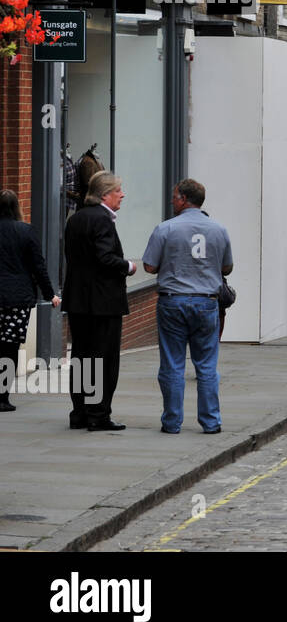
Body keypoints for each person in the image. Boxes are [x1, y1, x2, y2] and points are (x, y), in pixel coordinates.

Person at [142, 179, 234, 434]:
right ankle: (211, 422)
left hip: (173, 300)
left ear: (183, 199)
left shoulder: (165, 228)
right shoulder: (219, 229)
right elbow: (227, 267)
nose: (172, 201)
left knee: (172, 363)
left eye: (174, 197)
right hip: (206, 302)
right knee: (206, 365)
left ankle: (172, 422)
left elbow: (149, 266)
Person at [63, 171, 137, 431]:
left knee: (82, 358)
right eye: (119, 190)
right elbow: (105, 259)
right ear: (105, 194)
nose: (122, 194)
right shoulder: (103, 221)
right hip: (103, 303)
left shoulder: (75, 219)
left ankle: (80, 412)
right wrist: (128, 266)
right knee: (104, 360)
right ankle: (98, 414)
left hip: (78, 301)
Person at [0, 189, 59, 412]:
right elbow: (38, 267)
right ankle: (3, 396)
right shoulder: (25, 231)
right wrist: (49, 294)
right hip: (18, 299)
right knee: (10, 345)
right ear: (17, 207)